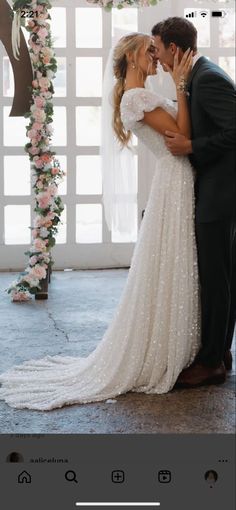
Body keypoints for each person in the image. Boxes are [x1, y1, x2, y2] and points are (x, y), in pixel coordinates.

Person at [0, 33, 200, 411]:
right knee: (169, 262)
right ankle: (162, 352)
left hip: (176, 181)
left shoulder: (138, 96)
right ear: (132, 58)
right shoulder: (136, 98)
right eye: (150, 53)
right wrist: (181, 86)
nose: (157, 59)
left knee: (173, 263)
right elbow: (183, 136)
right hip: (174, 180)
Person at [152, 17, 236, 387]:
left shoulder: (208, 78)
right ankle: (220, 349)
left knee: (215, 277)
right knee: (223, 273)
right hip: (217, 188)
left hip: (222, 191)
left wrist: (192, 146)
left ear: (173, 48)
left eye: (157, 48)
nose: (155, 55)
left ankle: (211, 363)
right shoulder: (195, 77)